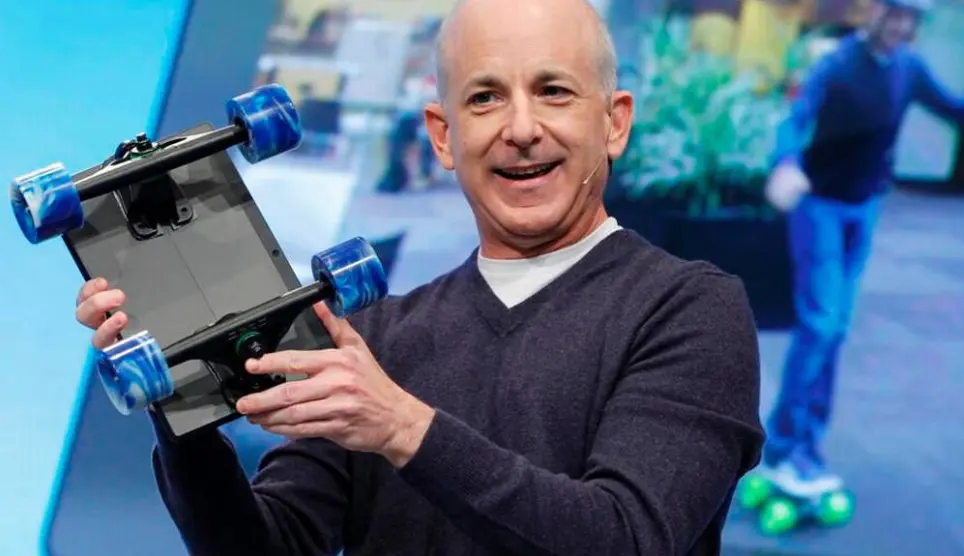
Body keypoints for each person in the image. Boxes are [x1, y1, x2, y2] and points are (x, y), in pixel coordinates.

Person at [75, 0, 764, 553]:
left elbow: (629, 538)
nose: (521, 128)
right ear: (442, 136)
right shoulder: (373, 339)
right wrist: (181, 400)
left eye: (553, 91)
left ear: (614, 123)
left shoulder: (690, 310)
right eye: (485, 98)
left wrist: (403, 427)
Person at [763, 0, 964, 496]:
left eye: (911, 18)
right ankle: (782, 447)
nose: (902, 25)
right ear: (876, 14)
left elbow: (955, 109)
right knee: (820, 325)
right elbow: (797, 119)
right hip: (819, 206)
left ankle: (806, 446)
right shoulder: (837, 64)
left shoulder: (909, 68)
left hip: (863, 208)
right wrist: (785, 163)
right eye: (896, 14)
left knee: (835, 331)